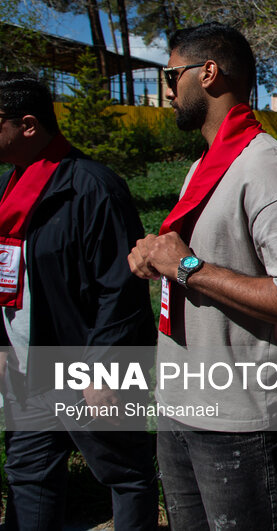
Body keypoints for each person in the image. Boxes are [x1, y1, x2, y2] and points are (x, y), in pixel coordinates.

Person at [128, 23, 277, 530]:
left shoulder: (267, 169)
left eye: (171, 76)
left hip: (242, 422)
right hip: (180, 406)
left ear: (208, 73)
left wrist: (187, 268)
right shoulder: (206, 164)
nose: (168, 91)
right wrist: (159, 259)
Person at [0, 73, 158, 530]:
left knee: (124, 472)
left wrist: (101, 370)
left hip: (86, 370)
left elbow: (120, 289)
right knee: (28, 475)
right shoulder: (9, 189)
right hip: (29, 372)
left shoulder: (92, 187)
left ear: (28, 125)